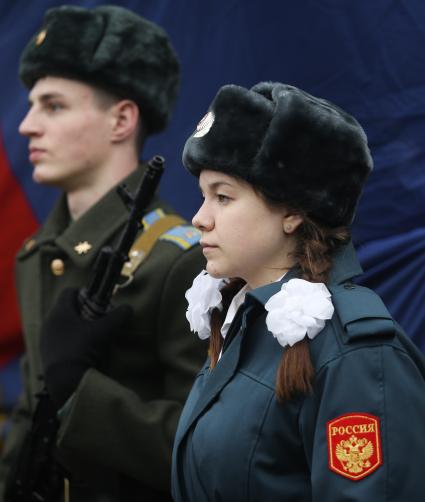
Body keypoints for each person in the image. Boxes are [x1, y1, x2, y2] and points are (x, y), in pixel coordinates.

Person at [171, 82, 425, 501]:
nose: (200, 218)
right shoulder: (245, 322)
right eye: (203, 196)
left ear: (291, 210)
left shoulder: (355, 353)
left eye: (223, 197)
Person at [0, 5, 206, 502]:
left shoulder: (182, 258)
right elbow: (31, 412)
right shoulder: (35, 257)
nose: (27, 125)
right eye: (31, 105)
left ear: (121, 119)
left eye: (53, 106)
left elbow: (204, 448)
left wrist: (83, 395)